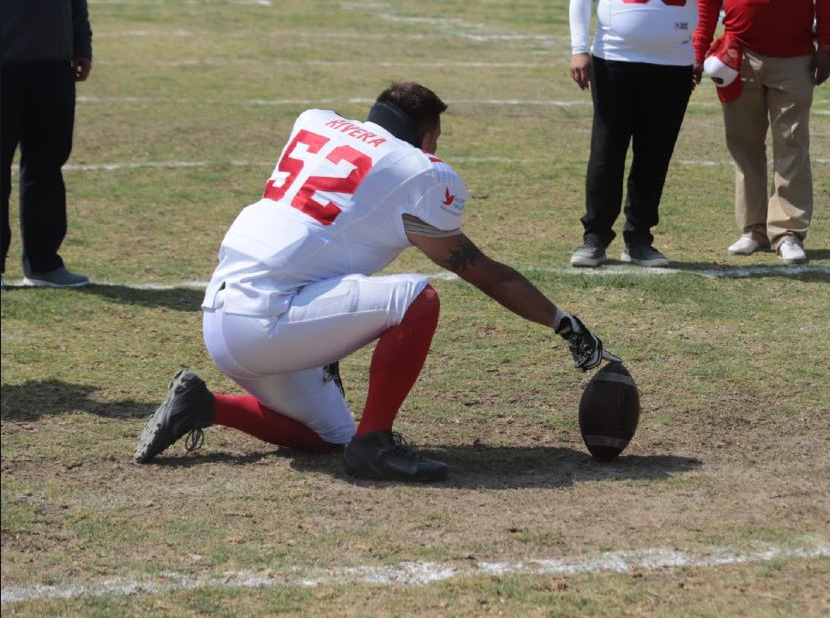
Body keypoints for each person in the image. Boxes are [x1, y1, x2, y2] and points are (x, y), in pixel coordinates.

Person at [134, 82, 617, 481]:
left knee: (329, 434)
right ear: (426, 137)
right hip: (268, 322)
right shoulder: (418, 172)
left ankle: (205, 405)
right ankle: (375, 443)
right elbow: (485, 273)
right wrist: (561, 322)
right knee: (416, 298)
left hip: (222, 316)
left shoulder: (315, 121)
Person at [568, 0, 731, 268]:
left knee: (654, 154)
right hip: (615, 59)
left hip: (673, 64)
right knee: (607, 151)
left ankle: (639, 238)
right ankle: (594, 237)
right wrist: (578, 47)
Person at [693, 0, 830, 264]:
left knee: (791, 145)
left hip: (795, 58)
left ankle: (788, 231)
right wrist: (701, 49)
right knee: (744, 146)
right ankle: (753, 229)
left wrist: (825, 45)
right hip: (738, 55)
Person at [1, 0, 92, 289]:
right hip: (5, 70)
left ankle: (44, 263)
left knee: (46, 168)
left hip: (52, 70)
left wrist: (82, 44)